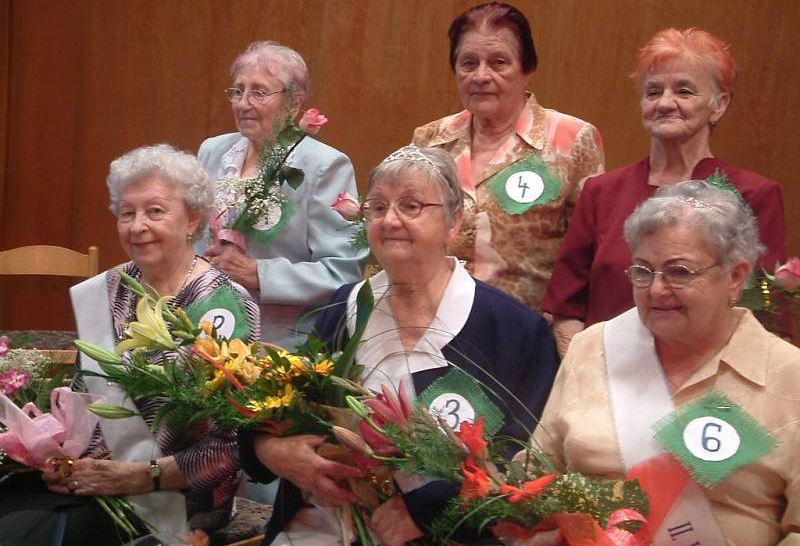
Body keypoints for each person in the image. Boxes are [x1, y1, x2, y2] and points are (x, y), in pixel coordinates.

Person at [239, 146, 559, 545]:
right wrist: (269, 448)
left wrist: (428, 514)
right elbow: (276, 405)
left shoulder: (515, 332)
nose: (390, 220)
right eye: (377, 206)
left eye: (411, 206)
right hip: (321, 526)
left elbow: (529, 467)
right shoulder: (344, 307)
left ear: (454, 221)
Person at [5, 145, 261, 545]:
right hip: (97, 480)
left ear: (193, 219)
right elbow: (82, 398)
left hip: (178, 497)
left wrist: (141, 476)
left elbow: (234, 447)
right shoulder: (108, 290)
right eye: (127, 213)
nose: (137, 225)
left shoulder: (223, 306)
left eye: (155, 211)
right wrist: (62, 458)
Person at [527, 181, 800, 544]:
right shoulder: (594, 347)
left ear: (735, 277)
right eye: (642, 271)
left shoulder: (788, 374)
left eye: (680, 272)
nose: (656, 289)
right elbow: (534, 476)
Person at [543, 28, 787, 355]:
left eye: (684, 91)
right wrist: (592, 374)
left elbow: (767, 321)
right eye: (653, 91)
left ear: (719, 105)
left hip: (708, 393)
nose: (665, 103)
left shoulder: (755, 195)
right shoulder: (601, 192)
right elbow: (566, 311)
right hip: (609, 383)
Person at [412, 2, 604, 311]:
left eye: (499, 62)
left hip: (527, 331)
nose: (481, 76)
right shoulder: (431, 139)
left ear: (527, 70)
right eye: (468, 63)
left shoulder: (571, 139)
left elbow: (589, 254)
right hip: (433, 321)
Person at [198, 41, 364, 346]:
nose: (243, 103)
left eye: (258, 92)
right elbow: (193, 240)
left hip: (283, 345)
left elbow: (343, 271)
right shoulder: (212, 151)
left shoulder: (325, 166)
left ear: (295, 103)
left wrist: (260, 274)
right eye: (237, 91)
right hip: (207, 329)